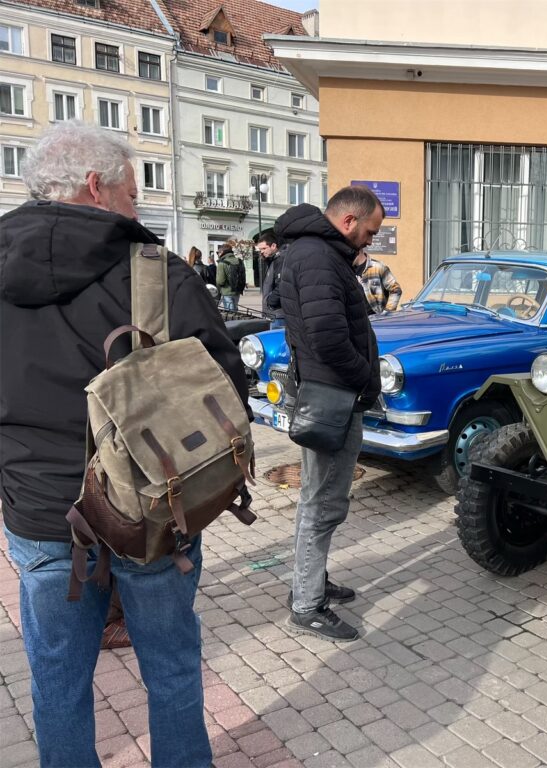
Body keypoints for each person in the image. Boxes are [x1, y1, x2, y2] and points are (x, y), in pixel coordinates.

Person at [0, 121, 248, 767]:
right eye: (133, 195)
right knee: (170, 668)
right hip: (155, 508)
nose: (136, 209)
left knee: (57, 679)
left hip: (38, 511)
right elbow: (228, 392)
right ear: (96, 187)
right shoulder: (153, 272)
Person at [277, 187, 383, 641]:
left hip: (330, 394)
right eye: (370, 231)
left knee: (319, 500)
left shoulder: (314, 252)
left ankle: (310, 582)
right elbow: (328, 337)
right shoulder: (318, 258)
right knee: (323, 504)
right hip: (334, 398)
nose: (370, 241)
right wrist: (366, 379)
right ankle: (307, 605)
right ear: (348, 222)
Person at [353, 248, 403, 315]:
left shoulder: (378, 268)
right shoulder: (346, 270)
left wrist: (387, 313)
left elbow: (396, 290)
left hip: (375, 321)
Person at [256, 231, 286, 329]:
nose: (261, 252)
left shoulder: (281, 259)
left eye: (264, 248)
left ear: (273, 246)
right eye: (260, 249)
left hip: (278, 314)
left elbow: (282, 285)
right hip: (273, 313)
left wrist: (271, 302)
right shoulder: (273, 260)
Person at [215, 242, 245, 311]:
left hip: (227, 292)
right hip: (237, 291)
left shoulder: (222, 263)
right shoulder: (240, 261)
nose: (218, 254)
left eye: (218, 252)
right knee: (235, 310)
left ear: (222, 252)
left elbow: (220, 281)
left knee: (230, 313)